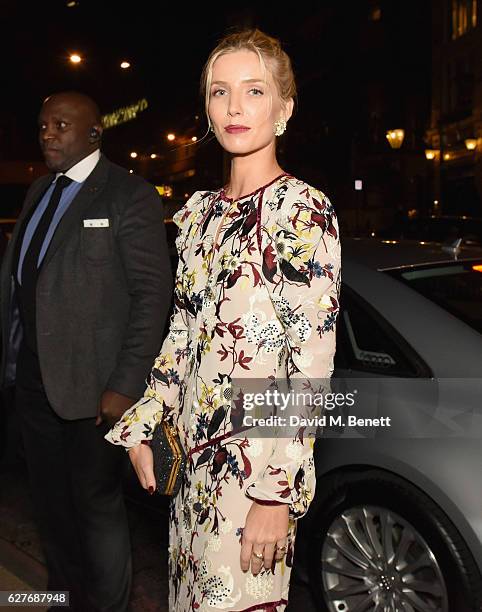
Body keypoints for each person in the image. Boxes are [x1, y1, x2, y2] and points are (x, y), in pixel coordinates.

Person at [107, 29, 341, 611]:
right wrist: (145, 420)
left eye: (254, 90)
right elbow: (183, 332)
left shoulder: (303, 210)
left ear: (284, 108)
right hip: (193, 471)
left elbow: (310, 365)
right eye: (219, 91)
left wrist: (276, 495)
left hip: (255, 473)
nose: (235, 107)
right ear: (207, 107)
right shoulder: (197, 215)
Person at [0, 91, 173, 611]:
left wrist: (125, 384)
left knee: (97, 516)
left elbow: (152, 295)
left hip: (97, 394)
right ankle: (62, 602)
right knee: (52, 514)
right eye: (42, 124)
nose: (47, 133)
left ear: (94, 133)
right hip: (33, 386)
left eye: (60, 124)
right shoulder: (37, 192)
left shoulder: (128, 194)